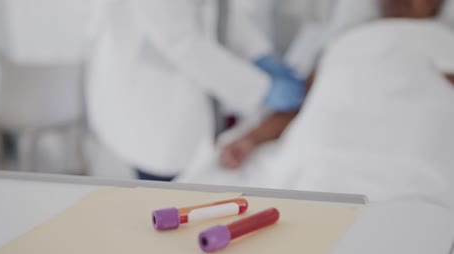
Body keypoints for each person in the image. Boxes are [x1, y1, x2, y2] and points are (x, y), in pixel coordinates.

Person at [218, 0, 454, 202]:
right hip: (332, 139)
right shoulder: (346, 41)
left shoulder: (443, 40)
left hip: (411, 139)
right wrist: (251, 138)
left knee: (421, 175)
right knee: (315, 168)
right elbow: (299, 103)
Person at [86, 0, 306, 181]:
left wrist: (258, 53)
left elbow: (219, 9)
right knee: (159, 193)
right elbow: (182, 42)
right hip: (149, 104)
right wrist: (262, 89)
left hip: (181, 101)